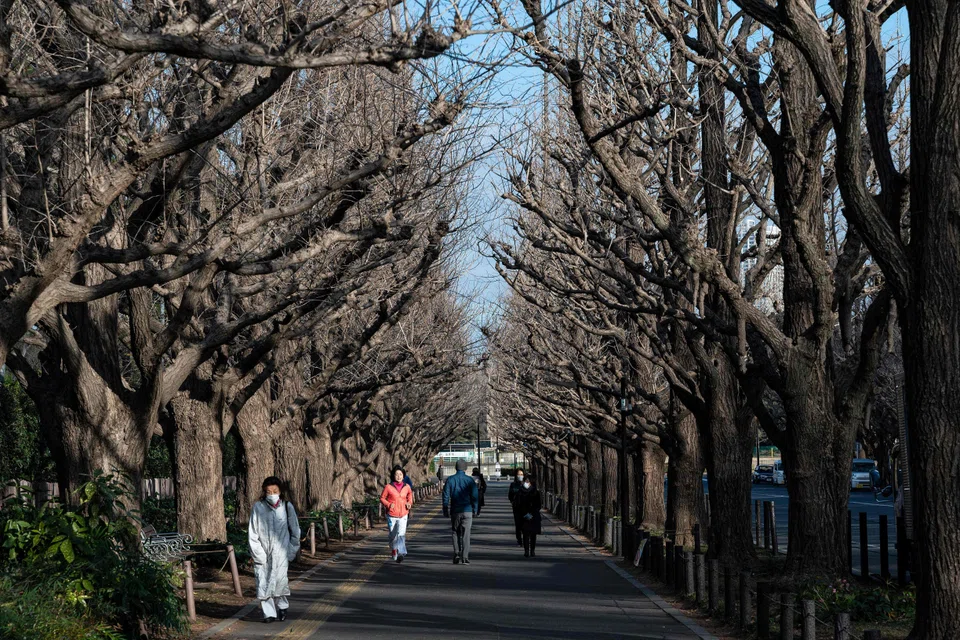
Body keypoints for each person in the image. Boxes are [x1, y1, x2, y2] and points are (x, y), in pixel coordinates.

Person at [248, 476, 300, 623]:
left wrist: (291, 551)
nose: (271, 494)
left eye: (274, 491)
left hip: (281, 552)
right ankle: (268, 613)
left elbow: (295, 530)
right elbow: (253, 533)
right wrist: (258, 553)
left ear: (280, 491)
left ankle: (282, 606)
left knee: (280, 581)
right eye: (268, 492)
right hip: (263, 551)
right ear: (264, 492)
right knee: (263, 582)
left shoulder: (287, 506)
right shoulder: (258, 507)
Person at [442, 459, 478, 564]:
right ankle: (465, 557)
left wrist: (445, 508)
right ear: (466, 468)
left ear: (455, 468)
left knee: (455, 532)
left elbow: (446, 495)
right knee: (466, 534)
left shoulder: (450, 480)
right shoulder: (470, 480)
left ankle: (457, 553)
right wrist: (475, 509)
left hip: (455, 510)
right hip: (467, 510)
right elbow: (474, 496)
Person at [380, 465, 414, 563]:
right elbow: (382, 498)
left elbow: (410, 496)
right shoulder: (388, 487)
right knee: (393, 535)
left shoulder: (406, 487)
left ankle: (401, 553)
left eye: (400, 474)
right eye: (396, 474)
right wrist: (388, 504)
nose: (399, 476)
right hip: (392, 515)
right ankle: (394, 549)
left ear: (403, 476)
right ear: (393, 476)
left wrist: (409, 503)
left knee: (401, 534)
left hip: (403, 514)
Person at [515, 475, 542, 557]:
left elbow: (538, 505)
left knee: (533, 534)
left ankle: (532, 550)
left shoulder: (535, 492)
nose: (526, 483)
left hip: (533, 515)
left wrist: (532, 513)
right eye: (525, 481)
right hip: (523, 515)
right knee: (525, 533)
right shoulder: (520, 492)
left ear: (531, 482)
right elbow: (517, 504)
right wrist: (523, 513)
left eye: (528, 481)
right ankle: (526, 551)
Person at [508, 469, 526, 546]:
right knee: (518, 524)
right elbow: (510, 495)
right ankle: (519, 540)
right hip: (516, 507)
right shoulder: (513, 484)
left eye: (521, 474)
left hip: (526, 507)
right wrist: (513, 501)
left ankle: (526, 539)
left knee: (525, 524)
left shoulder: (526, 484)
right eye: (519, 474)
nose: (520, 476)